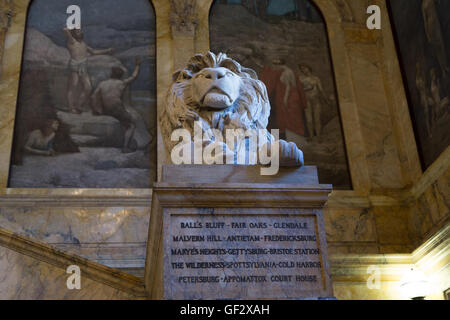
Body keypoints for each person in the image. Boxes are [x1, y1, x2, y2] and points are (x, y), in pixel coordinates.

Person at [91, 57, 141, 153]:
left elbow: (93, 97)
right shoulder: (121, 83)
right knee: (131, 125)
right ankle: (125, 147)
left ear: (111, 74)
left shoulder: (102, 83)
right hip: (117, 109)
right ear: (121, 76)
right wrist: (138, 66)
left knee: (123, 122)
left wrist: (96, 109)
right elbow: (134, 77)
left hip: (106, 109)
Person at [63, 27, 113, 114]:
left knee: (88, 87)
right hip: (75, 65)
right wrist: (72, 25)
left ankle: (79, 105)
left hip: (83, 65)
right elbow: (65, 30)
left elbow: (93, 52)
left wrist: (107, 51)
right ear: (74, 34)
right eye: (78, 31)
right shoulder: (72, 41)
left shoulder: (83, 44)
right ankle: (71, 108)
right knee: (73, 86)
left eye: (80, 31)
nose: (80, 32)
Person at [259, 58, 307, 138]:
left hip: (288, 98)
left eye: (275, 65)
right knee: (280, 119)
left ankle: (283, 138)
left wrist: (285, 99)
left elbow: (288, 87)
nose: (275, 68)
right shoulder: (286, 72)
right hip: (286, 98)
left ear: (279, 65)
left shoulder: (286, 72)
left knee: (287, 119)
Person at [298, 64, 327, 138]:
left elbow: (320, 89)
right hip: (306, 101)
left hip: (316, 100)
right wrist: (307, 89)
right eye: (302, 69)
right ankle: (311, 136)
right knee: (309, 119)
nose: (303, 70)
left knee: (317, 119)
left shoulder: (316, 78)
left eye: (305, 68)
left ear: (308, 68)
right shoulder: (300, 79)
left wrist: (325, 99)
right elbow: (299, 90)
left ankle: (319, 136)